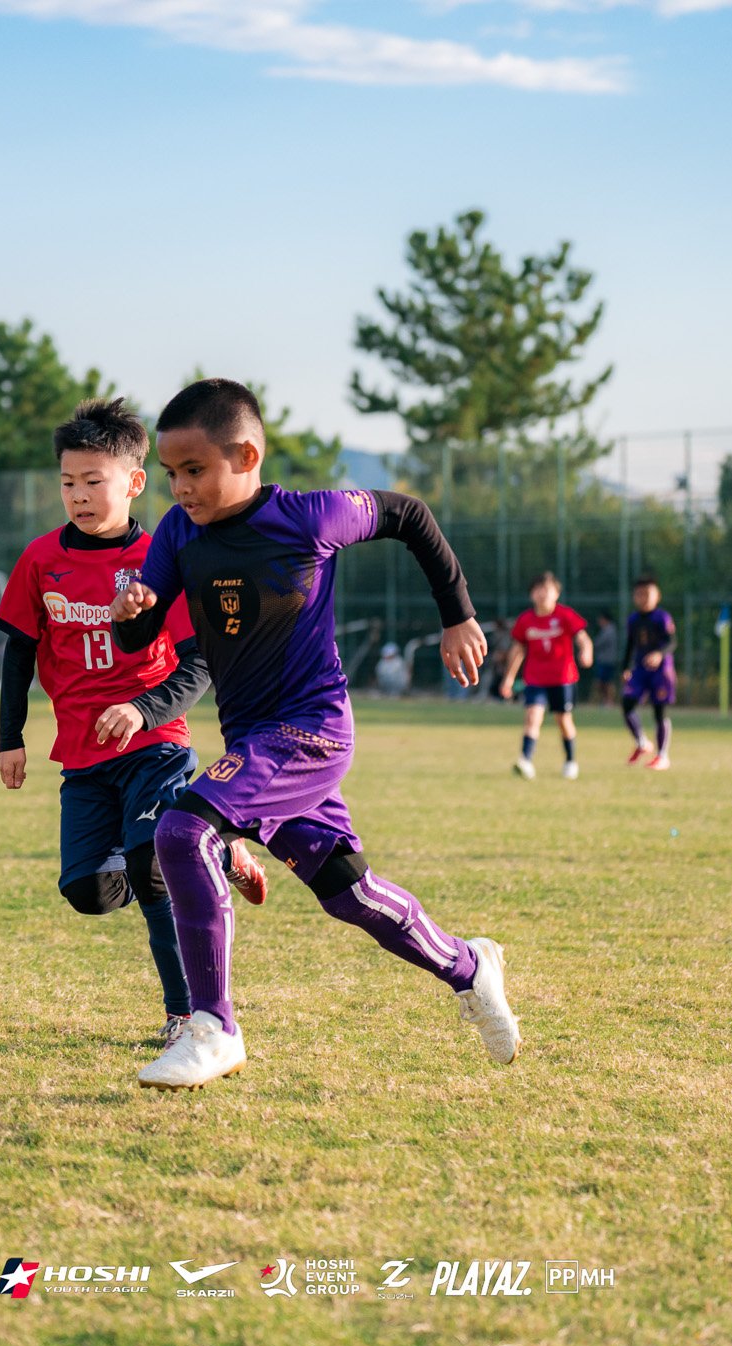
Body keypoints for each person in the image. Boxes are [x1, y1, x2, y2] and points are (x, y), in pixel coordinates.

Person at [112, 378, 518, 1091]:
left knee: (182, 831)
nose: (179, 488)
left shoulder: (309, 517)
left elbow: (409, 514)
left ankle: (213, 1026)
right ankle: (470, 964)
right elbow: (142, 633)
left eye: (195, 470)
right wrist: (131, 612)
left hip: (310, 732)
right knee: (347, 892)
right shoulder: (179, 532)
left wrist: (458, 613)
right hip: (252, 741)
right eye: (172, 473)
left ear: (247, 453)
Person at [0, 397, 269, 1047]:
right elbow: (18, 652)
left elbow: (199, 664)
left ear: (134, 481)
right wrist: (11, 737)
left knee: (150, 868)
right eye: (68, 482)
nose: (80, 495)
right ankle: (215, 847)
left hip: (156, 745)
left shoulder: (162, 557)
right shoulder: (40, 561)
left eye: (94, 481)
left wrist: (142, 709)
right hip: (84, 758)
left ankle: (185, 1015)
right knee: (86, 890)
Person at [496, 572, 593, 780]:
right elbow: (518, 650)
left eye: (547, 589)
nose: (542, 594)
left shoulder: (565, 615)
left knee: (563, 720)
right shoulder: (526, 620)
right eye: (538, 589)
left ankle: (570, 761)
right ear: (532, 594)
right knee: (532, 717)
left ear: (557, 593)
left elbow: (583, 638)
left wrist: (586, 651)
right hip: (536, 678)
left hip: (562, 678)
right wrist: (509, 678)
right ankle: (525, 761)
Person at [619, 576, 676, 770]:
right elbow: (629, 645)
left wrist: (659, 654)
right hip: (640, 670)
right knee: (627, 704)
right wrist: (625, 667)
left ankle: (662, 756)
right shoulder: (633, 620)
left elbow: (672, 642)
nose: (643, 598)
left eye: (647, 593)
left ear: (657, 596)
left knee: (659, 711)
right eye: (639, 594)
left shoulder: (662, 617)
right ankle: (642, 742)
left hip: (661, 671)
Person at [590, 615, 619, 705]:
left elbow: (598, 643)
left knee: (606, 682)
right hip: (605, 660)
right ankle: (605, 700)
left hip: (606, 660)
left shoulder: (609, 630)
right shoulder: (608, 630)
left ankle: (609, 701)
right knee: (604, 681)